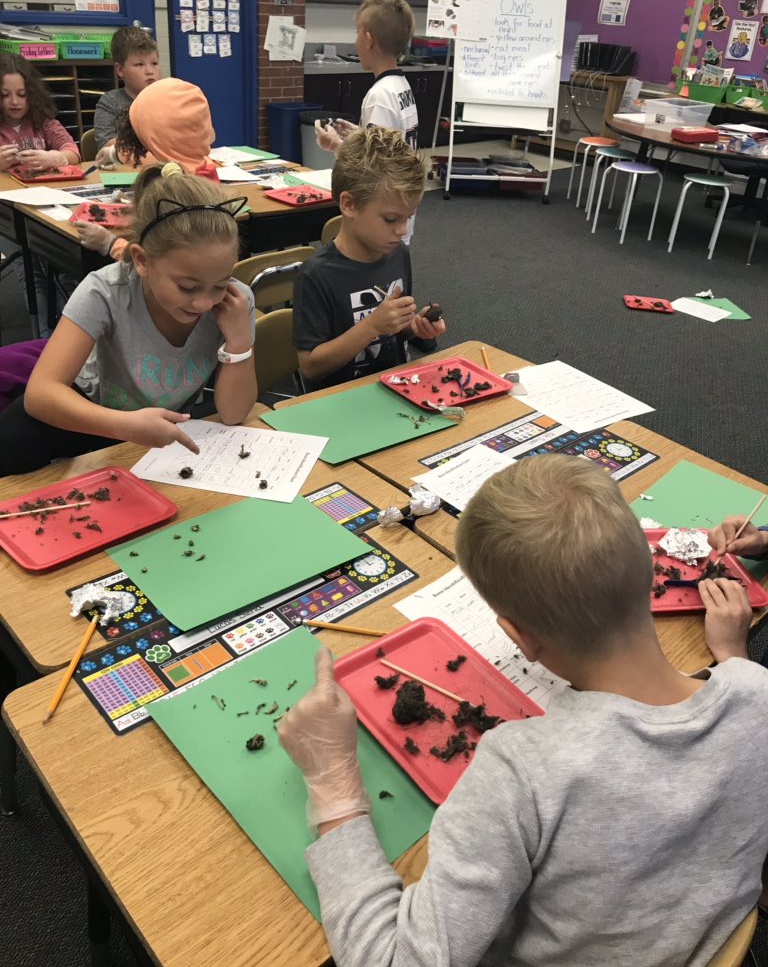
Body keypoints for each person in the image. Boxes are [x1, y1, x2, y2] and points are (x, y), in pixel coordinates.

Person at [278, 455, 768, 967]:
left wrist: (333, 785)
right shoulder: (755, 690)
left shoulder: (523, 773)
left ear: (520, 638)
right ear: (649, 573)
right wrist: (732, 659)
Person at [0, 162, 257, 477]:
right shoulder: (107, 290)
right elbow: (40, 395)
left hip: (156, 431)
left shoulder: (234, 302)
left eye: (219, 284)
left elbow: (233, 414)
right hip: (89, 412)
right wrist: (125, 426)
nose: (204, 302)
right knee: (12, 439)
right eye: (187, 287)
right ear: (142, 260)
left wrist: (239, 342)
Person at [292, 127, 445, 390]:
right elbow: (310, 367)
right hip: (339, 401)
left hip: (396, 389)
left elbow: (397, 332)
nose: (402, 230)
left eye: (407, 218)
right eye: (390, 219)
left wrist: (414, 327)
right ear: (349, 205)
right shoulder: (316, 275)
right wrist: (372, 326)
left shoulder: (398, 253)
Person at [80, 78, 219, 259]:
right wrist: (115, 153)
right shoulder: (199, 164)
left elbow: (160, 263)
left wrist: (110, 244)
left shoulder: (174, 192)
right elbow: (151, 155)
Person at [0, 52, 81, 336]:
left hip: (48, 209)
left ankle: (70, 327)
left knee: (64, 263)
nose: (14, 102)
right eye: (5, 94)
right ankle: (46, 335)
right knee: (29, 267)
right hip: (9, 217)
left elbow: (72, 152)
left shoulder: (42, 121)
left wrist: (53, 159)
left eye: (21, 94)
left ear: (31, 94)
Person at [316, 0, 418, 156]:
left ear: (369, 40)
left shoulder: (379, 97)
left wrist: (336, 145)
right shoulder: (400, 85)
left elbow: (375, 168)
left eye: (358, 33)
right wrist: (361, 135)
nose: (356, 41)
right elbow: (390, 145)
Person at [93, 26, 161, 152]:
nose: (150, 71)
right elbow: (106, 145)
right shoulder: (110, 102)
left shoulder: (168, 98)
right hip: (126, 168)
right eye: (139, 64)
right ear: (120, 70)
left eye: (154, 63)